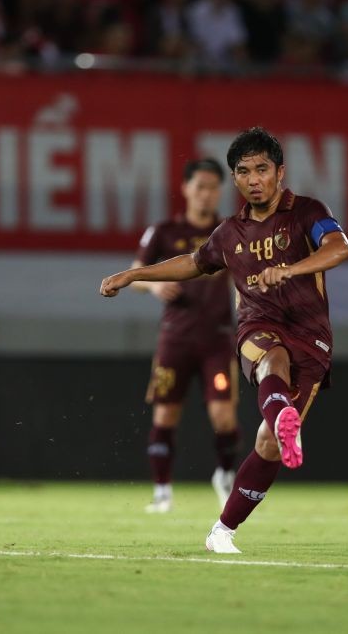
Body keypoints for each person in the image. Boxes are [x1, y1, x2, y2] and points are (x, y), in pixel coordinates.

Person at [100, 127, 348, 554]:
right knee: (271, 358)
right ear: (235, 180)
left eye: (262, 169)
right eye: (244, 172)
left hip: (312, 338)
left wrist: (291, 270)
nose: (254, 179)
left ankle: (222, 531)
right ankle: (280, 414)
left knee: (268, 444)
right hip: (257, 326)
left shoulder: (308, 211)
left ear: (279, 172)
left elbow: (340, 247)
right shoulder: (229, 233)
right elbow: (193, 263)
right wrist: (135, 274)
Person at [126, 158, 242, 514]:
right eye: (200, 186)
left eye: (213, 187)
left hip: (218, 339)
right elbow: (135, 272)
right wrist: (154, 288)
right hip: (175, 339)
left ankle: (224, 475)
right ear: (186, 188)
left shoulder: (230, 230)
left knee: (224, 415)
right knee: (165, 416)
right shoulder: (163, 231)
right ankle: (162, 492)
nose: (206, 194)